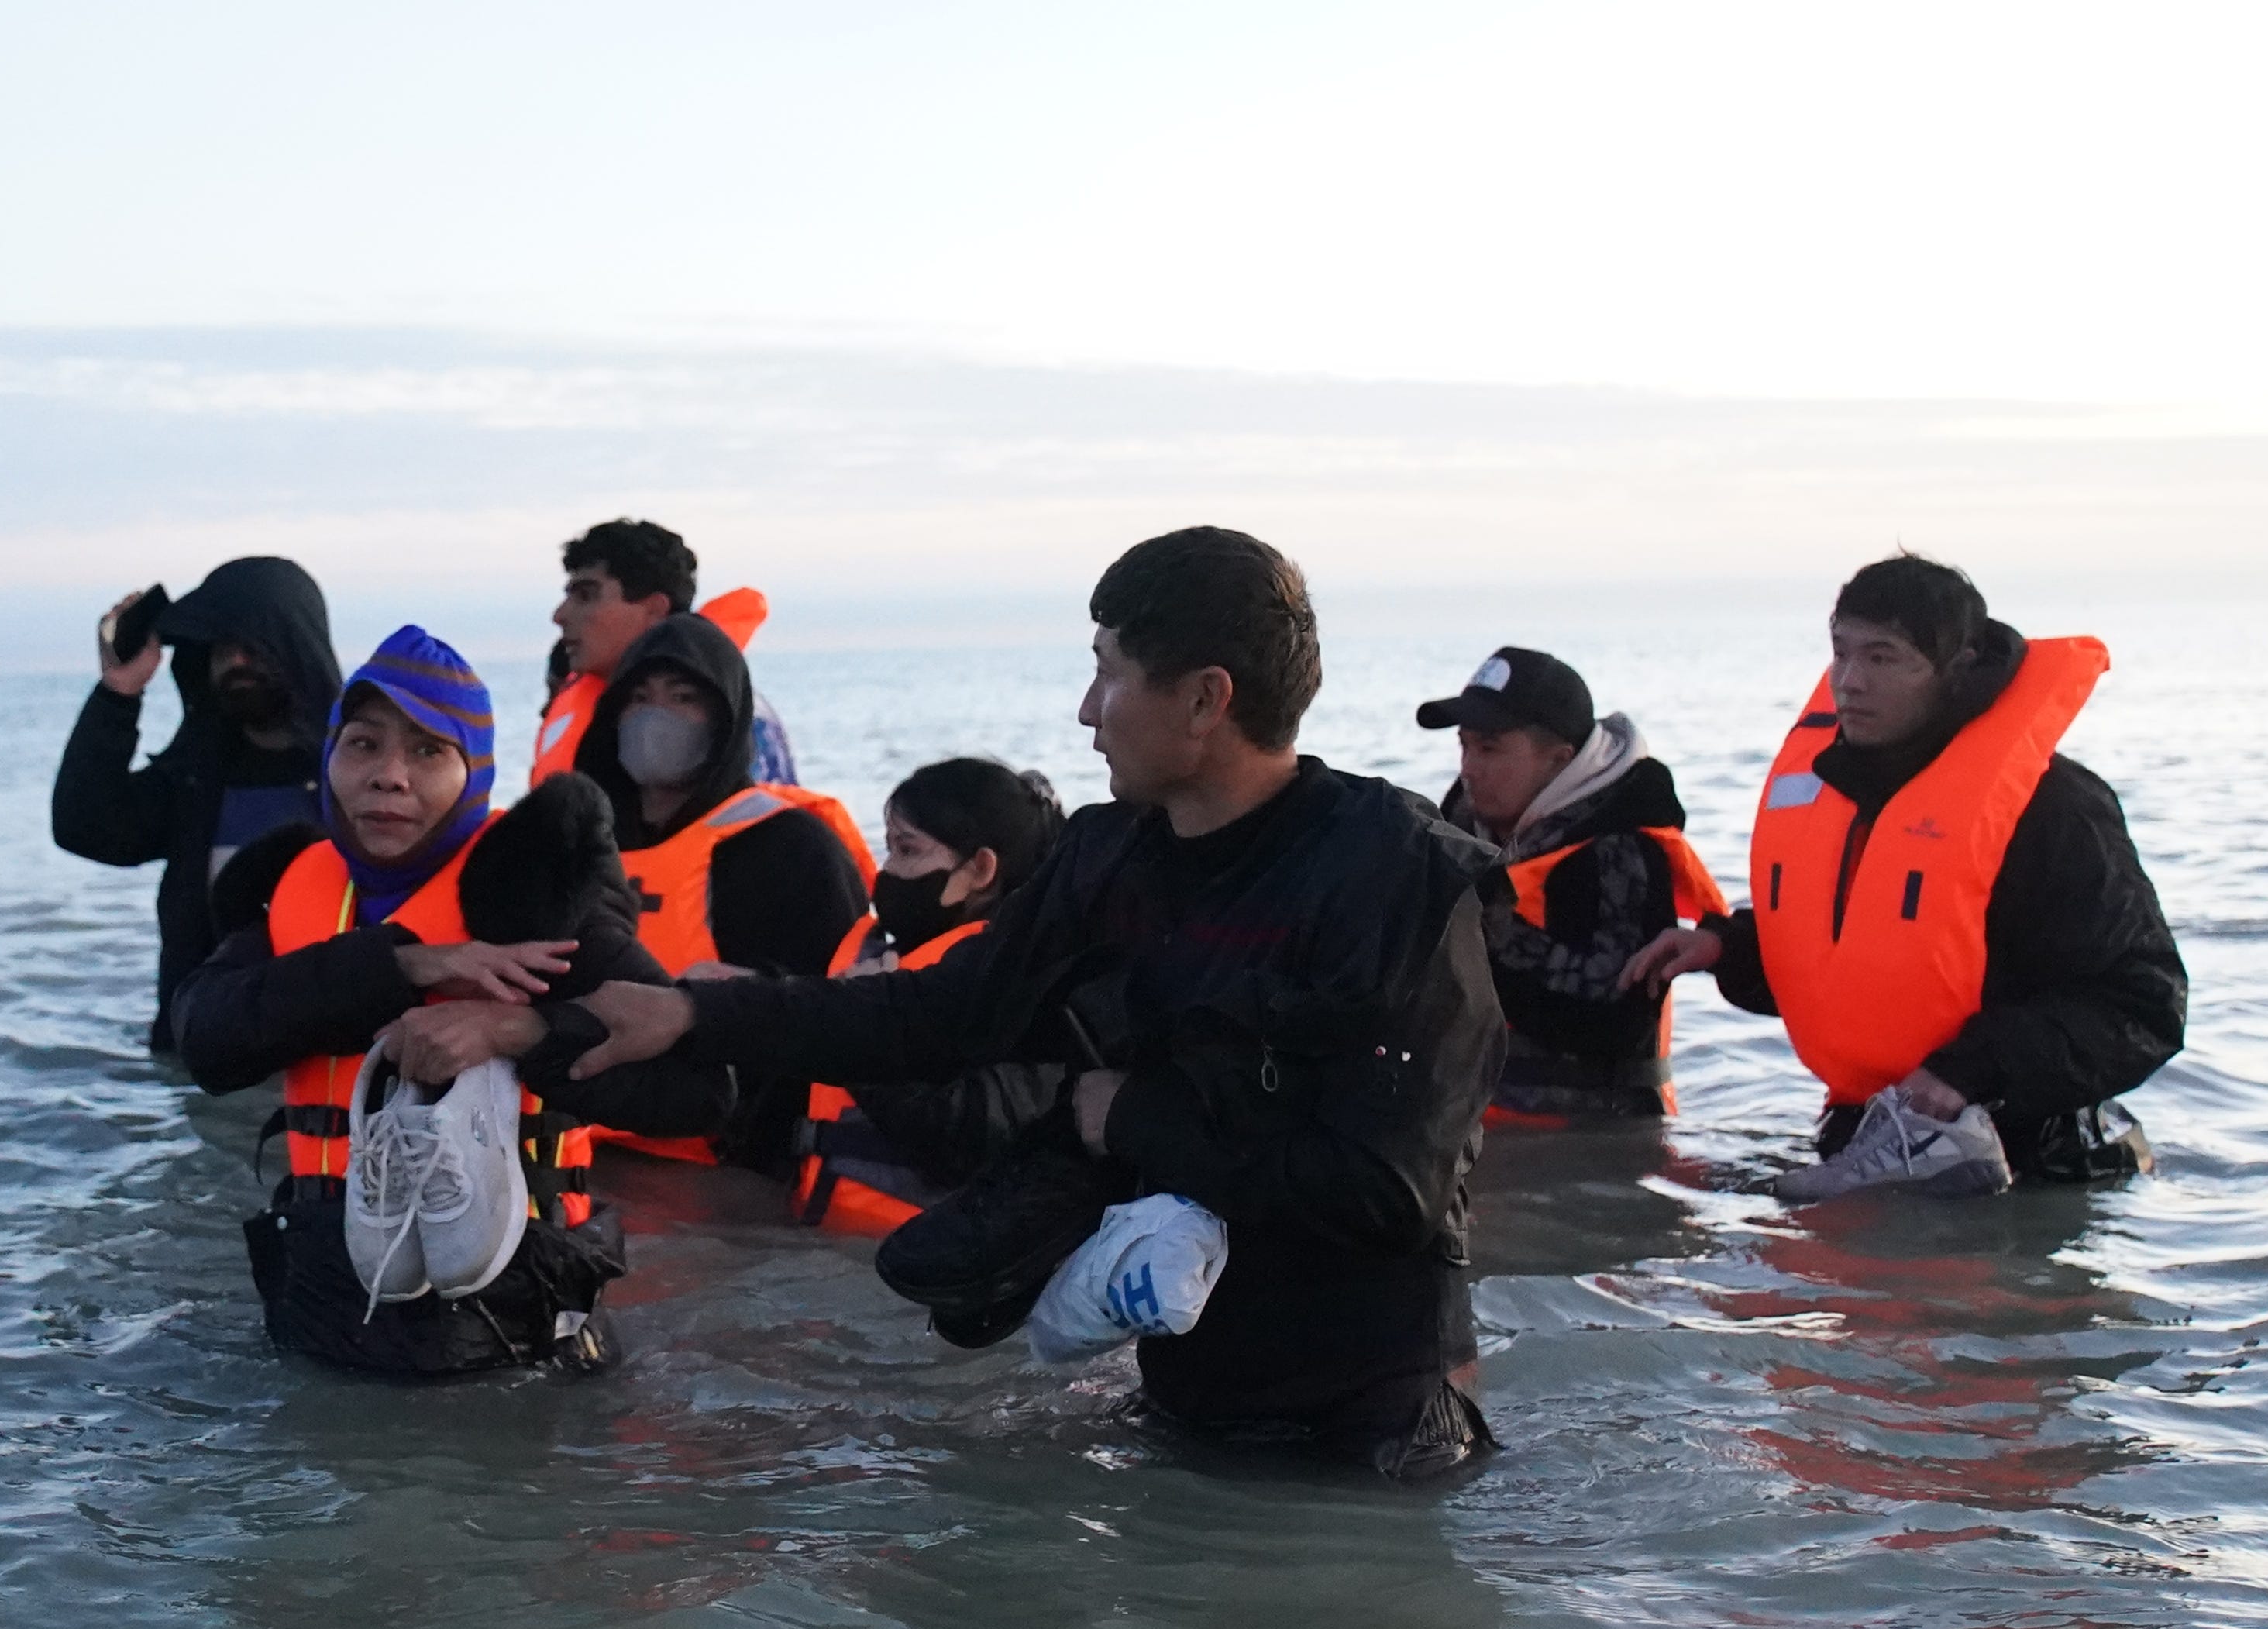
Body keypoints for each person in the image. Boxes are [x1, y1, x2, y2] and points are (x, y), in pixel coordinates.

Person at [384, 527, 1510, 1478]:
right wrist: (692, 1014)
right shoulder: (1109, 856)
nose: (1085, 709)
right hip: (1185, 1399)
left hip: (1370, 1430)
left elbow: (1391, 1191)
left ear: (1206, 698)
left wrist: (1130, 1120)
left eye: (1109, 671)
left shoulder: (1395, 879)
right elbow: (936, 1020)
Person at [170, 625, 719, 1374]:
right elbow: (205, 1038)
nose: (389, 775)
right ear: (329, 758)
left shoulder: (540, 901)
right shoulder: (297, 890)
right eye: (363, 745)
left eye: (429, 751)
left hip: (520, 1329)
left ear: (476, 771)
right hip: (328, 1302)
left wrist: (517, 1031)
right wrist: (406, 966)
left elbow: (701, 1091)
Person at [1623, 553, 2187, 1197]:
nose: (1849, 682)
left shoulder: (2054, 807)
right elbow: (1870, 960)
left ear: (1957, 670)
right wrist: (1728, 946)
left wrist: (1966, 1073)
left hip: (2033, 1177)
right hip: (1870, 1148)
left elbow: (2144, 1005)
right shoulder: (1839, 788)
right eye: (1841, 653)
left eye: (1883, 658)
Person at [566, 609, 876, 1170]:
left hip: (728, 1162)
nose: (656, 716)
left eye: (683, 697)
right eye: (639, 698)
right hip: (586, 1146)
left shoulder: (793, 846)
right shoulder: (575, 843)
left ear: (726, 718)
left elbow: (841, 1014)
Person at [1420, 647, 1729, 1121]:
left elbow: (1616, 1020)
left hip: (1590, 1146)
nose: (1468, 767)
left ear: (1559, 759)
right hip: (1471, 1134)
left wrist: (1477, 926)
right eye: (1463, 746)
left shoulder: (1621, 850)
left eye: (1489, 748)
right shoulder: (1456, 836)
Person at [52, 557, 342, 1051]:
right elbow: (85, 826)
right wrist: (119, 692)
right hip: (202, 1063)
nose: (238, 662)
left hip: (323, 1059)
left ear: (295, 643)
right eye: (223, 648)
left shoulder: (356, 775)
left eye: (255, 645)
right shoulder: (195, 779)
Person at [790, 757, 1069, 1235]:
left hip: (910, 1268)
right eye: (889, 848)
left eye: (907, 850)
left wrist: (863, 1025)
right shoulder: (874, 950)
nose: (888, 871)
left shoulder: (1019, 979)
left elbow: (975, 1138)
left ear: (981, 868)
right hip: (819, 1241)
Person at [533, 516, 797, 787]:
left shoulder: (728, 721)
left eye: (586, 596)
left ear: (655, 611)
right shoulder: (603, 714)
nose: (560, 615)